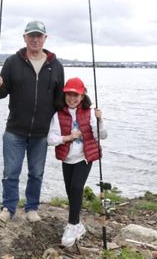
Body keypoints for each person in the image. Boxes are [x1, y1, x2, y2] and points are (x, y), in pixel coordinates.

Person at [0, 20, 65, 223]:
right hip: (15, 130)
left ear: (45, 39)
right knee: (10, 173)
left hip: (41, 133)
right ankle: (8, 208)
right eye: (31, 36)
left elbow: (61, 101)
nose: (35, 39)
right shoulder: (12, 62)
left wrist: (82, 107)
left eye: (39, 36)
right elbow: (1, 94)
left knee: (37, 173)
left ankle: (32, 208)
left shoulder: (56, 66)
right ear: (24, 38)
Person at [47, 77, 108, 247]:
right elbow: (50, 139)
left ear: (82, 96)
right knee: (71, 192)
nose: (72, 98)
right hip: (67, 159)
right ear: (65, 95)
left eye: (76, 95)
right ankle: (79, 225)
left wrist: (99, 120)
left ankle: (72, 225)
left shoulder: (89, 113)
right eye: (69, 94)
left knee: (76, 187)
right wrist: (68, 138)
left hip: (84, 158)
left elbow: (101, 136)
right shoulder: (58, 114)